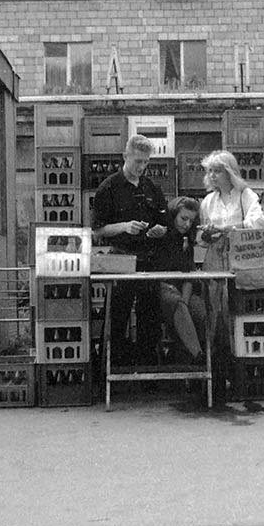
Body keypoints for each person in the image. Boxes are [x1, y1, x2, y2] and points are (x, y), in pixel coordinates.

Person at [91, 135, 169, 366]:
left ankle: (147, 368)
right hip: (120, 259)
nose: (142, 167)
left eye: (146, 162)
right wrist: (125, 227)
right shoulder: (108, 188)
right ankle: (112, 366)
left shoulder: (152, 188)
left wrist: (159, 230)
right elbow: (98, 229)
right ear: (125, 156)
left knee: (149, 317)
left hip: (148, 260)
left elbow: (164, 222)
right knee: (117, 315)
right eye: (137, 161)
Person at [196, 150, 264, 353]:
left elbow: (258, 223)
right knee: (214, 309)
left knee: (236, 308)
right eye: (209, 171)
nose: (212, 175)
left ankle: (238, 356)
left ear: (230, 172)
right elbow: (201, 238)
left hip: (240, 255)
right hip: (215, 257)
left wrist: (229, 229)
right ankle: (217, 360)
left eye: (217, 171)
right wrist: (208, 234)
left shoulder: (246, 195)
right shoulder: (208, 201)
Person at [145, 195, 207, 365]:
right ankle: (198, 356)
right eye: (183, 218)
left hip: (182, 287)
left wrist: (185, 304)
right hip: (160, 287)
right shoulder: (160, 234)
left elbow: (188, 275)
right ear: (173, 215)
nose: (186, 224)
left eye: (190, 221)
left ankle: (195, 356)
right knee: (175, 302)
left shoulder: (187, 241)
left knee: (200, 311)